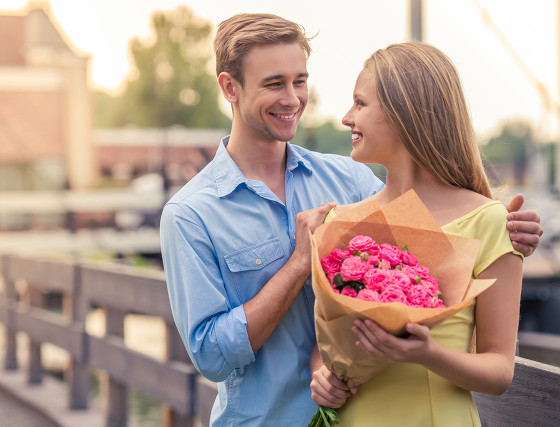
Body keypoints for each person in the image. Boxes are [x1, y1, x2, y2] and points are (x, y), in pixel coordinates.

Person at [160, 14, 542, 426]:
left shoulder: (351, 181)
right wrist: (298, 265)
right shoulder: (190, 215)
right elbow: (212, 357)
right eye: (274, 83)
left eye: (300, 81)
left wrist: (507, 236)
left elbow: (437, 225)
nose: (292, 98)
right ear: (229, 87)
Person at [309, 42, 532, 426]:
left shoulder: (490, 222)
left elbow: (500, 371)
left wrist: (426, 354)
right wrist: (323, 379)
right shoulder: (341, 224)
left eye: (360, 103)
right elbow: (327, 344)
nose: (347, 117)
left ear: (401, 115)